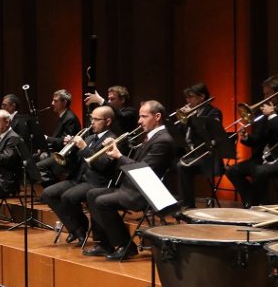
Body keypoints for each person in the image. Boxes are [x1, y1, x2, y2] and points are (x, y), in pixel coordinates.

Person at [87, 101, 176, 261]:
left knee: (102, 201)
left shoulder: (163, 140)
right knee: (92, 194)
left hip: (144, 193)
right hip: (131, 187)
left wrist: (119, 156)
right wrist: (116, 151)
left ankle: (126, 246)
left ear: (157, 117)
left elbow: (143, 170)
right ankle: (104, 243)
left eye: (143, 116)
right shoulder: (152, 137)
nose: (139, 121)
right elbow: (134, 161)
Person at [39, 106, 117, 250]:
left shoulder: (112, 139)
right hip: (78, 178)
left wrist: (84, 148)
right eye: (91, 118)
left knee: (69, 196)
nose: (92, 122)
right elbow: (76, 162)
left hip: (96, 182)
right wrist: (70, 149)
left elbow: (103, 165)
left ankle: (81, 229)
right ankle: (77, 230)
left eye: (96, 119)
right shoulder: (90, 137)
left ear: (108, 121)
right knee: (48, 194)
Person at [224, 75, 278, 207]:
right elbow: (259, 138)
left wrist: (272, 115)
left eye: (269, 94)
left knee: (260, 172)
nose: (265, 98)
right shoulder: (267, 111)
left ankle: (255, 205)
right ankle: (254, 202)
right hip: (262, 159)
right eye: (264, 94)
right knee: (232, 170)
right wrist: (246, 138)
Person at [174, 82, 224, 208]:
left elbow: (207, 135)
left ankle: (187, 206)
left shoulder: (214, 113)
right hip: (190, 154)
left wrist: (192, 118)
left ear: (202, 97)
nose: (188, 101)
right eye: (187, 98)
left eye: (191, 97)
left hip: (207, 157)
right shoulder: (190, 113)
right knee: (165, 160)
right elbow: (178, 134)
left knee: (182, 166)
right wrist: (182, 120)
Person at [37, 89, 81, 185]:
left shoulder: (70, 118)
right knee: (34, 159)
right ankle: (53, 190)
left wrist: (46, 138)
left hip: (68, 158)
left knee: (37, 167)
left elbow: (66, 142)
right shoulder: (64, 116)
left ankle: (53, 190)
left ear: (64, 103)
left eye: (55, 101)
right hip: (58, 152)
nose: (52, 103)